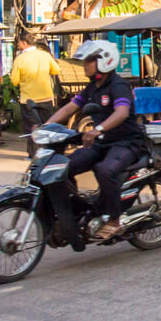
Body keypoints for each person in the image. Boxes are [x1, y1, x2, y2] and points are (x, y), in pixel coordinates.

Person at [44, 40, 148, 247]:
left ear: (105, 61)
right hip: (102, 142)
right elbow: (69, 108)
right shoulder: (92, 88)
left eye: (89, 61)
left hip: (126, 142)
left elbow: (121, 113)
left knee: (104, 170)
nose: (85, 65)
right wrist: (45, 126)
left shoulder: (119, 86)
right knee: (63, 167)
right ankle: (75, 212)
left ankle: (114, 219)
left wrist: (98, 129)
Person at [10, 32, 62, 157]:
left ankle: (33, 155)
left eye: (18, 43)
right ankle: (50, 152)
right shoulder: (45, 55)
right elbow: (56, 70)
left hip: (28, 100)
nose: (18, 45)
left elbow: (14, 80)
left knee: (32, 128)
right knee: (47, 126)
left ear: (24, 43)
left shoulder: (20, 59)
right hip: (46, 98)